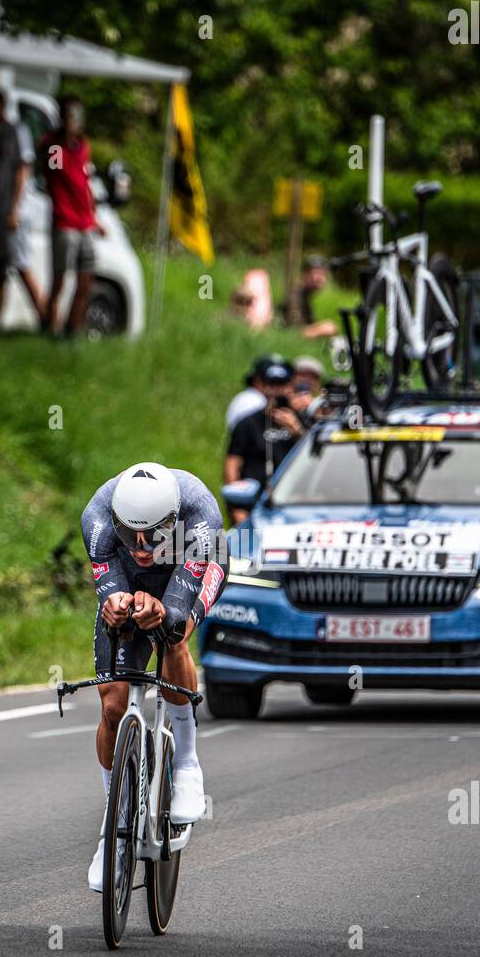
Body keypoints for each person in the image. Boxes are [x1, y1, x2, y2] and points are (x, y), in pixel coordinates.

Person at [80, 462, 227, 891]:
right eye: (131, 535)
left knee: (173, 635)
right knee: (112, 703)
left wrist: (163, 610)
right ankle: (114, 828)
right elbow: (111, 588)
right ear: (116, 524)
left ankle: (186, 763)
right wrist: (115, 603)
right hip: (132, 580)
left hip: (192, 570)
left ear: (174, 521)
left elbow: (177, 607)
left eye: (155, 534)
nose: (142, 546)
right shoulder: (97, 518)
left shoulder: (200, 514)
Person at [39, 95, 106, 339]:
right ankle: (50, 328)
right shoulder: (54, 146)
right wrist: (62, 140)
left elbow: (84, 180)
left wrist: (94, 216)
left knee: (86, 282)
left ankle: (72, 331)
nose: (76, 121)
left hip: (85, 223)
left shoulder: (83, 146)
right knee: (59, 281)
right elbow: (55, 175)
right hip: (64, 222)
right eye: (71, 115)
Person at [0, 90, 45, 328]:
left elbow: (23, 170)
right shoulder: (0, 133)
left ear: (1, 105)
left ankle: (46, 319)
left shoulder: (18, 131)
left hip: (15, 212)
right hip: (1, 211)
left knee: (21, 265)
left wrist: (14, 210)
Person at [224, 359, 307, 522]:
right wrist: (237, 509)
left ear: (291, 386)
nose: (277, 390)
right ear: (263, 387)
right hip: (254, 507)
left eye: (282, 384)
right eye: (272, 384)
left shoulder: (304, 421)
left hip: (295, 506)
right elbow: (232, 466)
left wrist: (298, 430)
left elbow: (318, 458)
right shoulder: (247, 423)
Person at [225, 353, 289, 432]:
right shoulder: (253, 401)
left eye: (280, 383)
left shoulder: (248, 397)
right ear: (257, 380)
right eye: (272, 382)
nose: (277, 388)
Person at [281, 254, 338, 339]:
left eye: (324, 274)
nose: (321, 279)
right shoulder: (295, 294)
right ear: (305, 274)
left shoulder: (305, 295)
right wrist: (322, 329)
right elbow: (293, 330)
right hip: (285, 336)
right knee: (329, 328)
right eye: (317, 273)